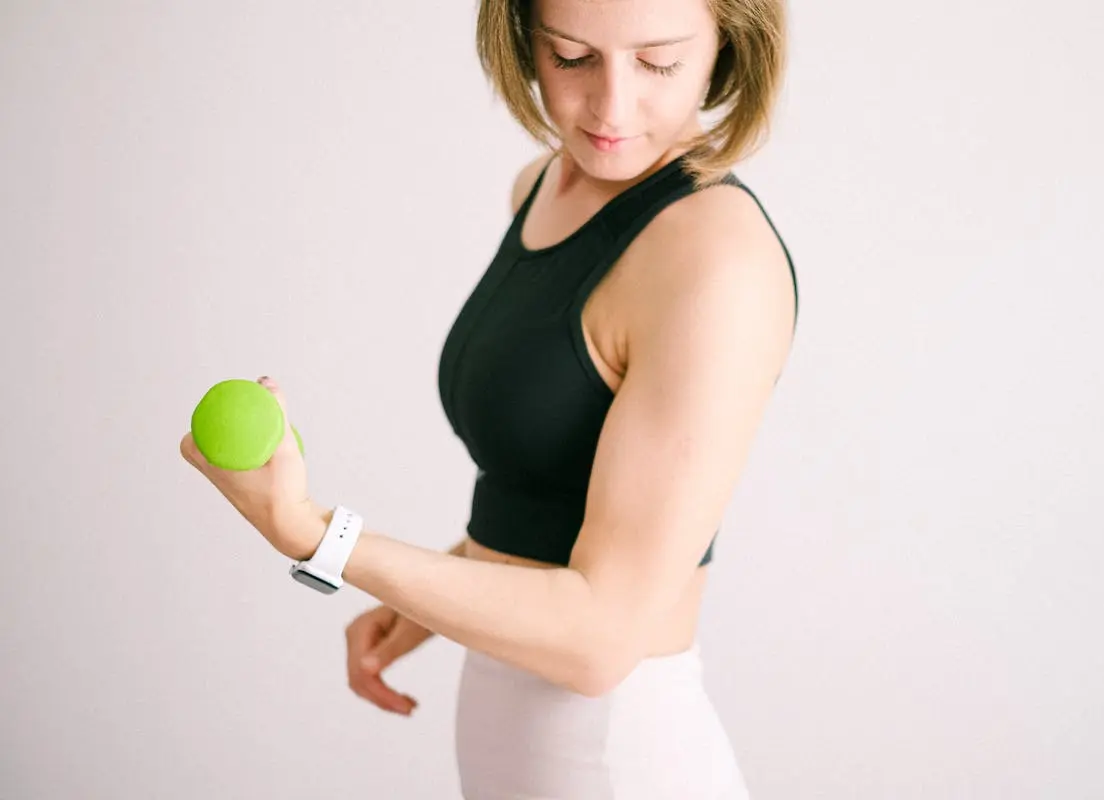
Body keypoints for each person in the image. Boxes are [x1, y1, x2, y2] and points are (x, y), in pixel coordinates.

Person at [182, 0, 796, 796]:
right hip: (517, 748)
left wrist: (317, 539)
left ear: (728, 48)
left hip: (617, 760)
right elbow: (558, 489)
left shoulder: (717, 261)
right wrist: (438, 590)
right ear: (521, 38)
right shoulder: (544, 186)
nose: (610, 107)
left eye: (658, 62)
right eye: (571, 56)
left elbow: (600, 642)